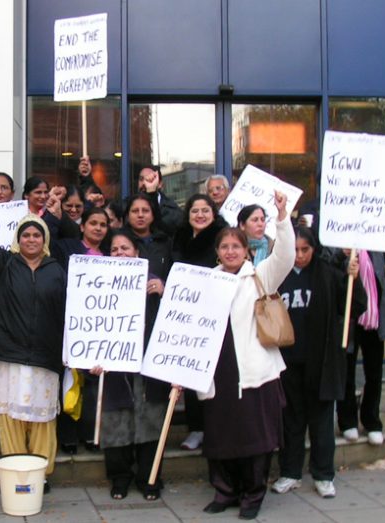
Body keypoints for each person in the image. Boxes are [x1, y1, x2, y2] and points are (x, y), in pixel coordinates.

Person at [0, 185, 67, 491]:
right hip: (7, 355)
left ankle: (40, 474)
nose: (31, 239)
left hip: (44, 358)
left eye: (36, 235)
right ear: (18, 239)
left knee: (42, 419)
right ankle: (16, 473)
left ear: (44, 239)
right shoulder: (3, 264)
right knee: (10, 418)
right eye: (26, 235)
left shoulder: (58, 270)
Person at [200, 191, 294, 520]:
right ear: (217, 251)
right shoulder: (205, 282)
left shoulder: (259, 277)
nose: (229, 252)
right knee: (221, 438)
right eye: (224, 247)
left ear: (246, 250)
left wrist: (282, 219)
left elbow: (285, 258)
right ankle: (224, 491)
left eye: (236, 247)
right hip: (217, 374)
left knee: (256, 439)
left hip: (254, 374)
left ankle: (253, 496)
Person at [272, 227, 366, 499]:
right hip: (286, 361)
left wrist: (354, 279)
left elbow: (356, 306)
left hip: (321, 362)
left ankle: (324, 474)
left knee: (322, 421)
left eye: (306, 250)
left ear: (314, 249)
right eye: (295, 250)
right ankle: (289, 472)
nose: (300, 256)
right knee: (291, 419)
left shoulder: (329, 274)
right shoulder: (277, 274)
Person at [89, 231, 171, 501]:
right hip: (115, 371)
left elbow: (178, 320)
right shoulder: (95, 283)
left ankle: (150, 479)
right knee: (116, 425)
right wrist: (90, 360)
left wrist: (165, 291)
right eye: (114, 249)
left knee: (151, 422)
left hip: (150, 371)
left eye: (125, 248)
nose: (120, 253)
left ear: (137, 252)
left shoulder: (155, 285)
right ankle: (119, 478)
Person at [336, 196, 385, 446]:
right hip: (349, 317)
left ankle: (372, 421)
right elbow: (327, 265)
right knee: (346, 371)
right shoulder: (336, 243)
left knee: (374, 371)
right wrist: (342, 257)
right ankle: (347, 421)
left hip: (374, 317)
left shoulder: (376, 243)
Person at [49, 206, 111, 454]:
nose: (98, 228)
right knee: (70, 381)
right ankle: (68, 437)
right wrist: (54, 216)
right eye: (93, 223)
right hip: (71, 325)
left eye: (103, 224)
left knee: (94, 381)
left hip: (101, 327)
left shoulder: (111, 254)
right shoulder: (67, 248)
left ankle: (90, 434)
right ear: (82, 226)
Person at [172, 194, 228, 450]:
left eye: (206, 210)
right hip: (185, 314)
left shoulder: (222, 238)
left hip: (214, 314)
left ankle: (215, 428)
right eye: (195, 210)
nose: (200, 215)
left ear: (213, 214)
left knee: (214, 376)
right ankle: (195, 429)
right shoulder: (180, 237)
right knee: (190, 372)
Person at [122, 193, 173, 283]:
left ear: (153, 215)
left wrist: (163, 287)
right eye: (135, 211)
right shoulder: (119, 241)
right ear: (127, 216)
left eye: (145, 211)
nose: (140, 215)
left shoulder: (165, 242)